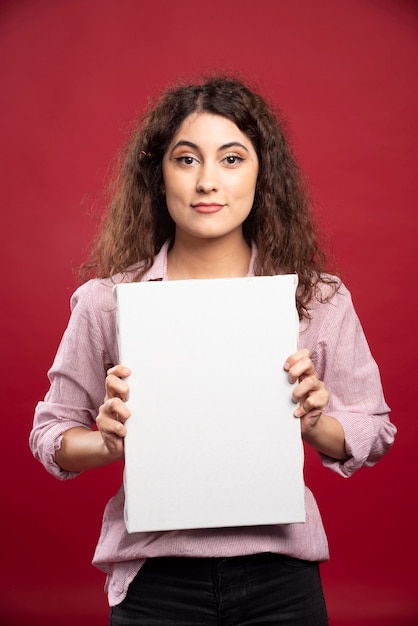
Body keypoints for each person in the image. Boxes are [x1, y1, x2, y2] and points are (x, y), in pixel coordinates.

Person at [30, 75, 396, 625]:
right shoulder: (108, 302)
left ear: (260, 174)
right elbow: (51, 433)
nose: (207, 182)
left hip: (281, 581)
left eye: (231, 158)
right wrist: (105, 442)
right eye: (186, 160)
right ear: (158, 176)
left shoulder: (316, 298)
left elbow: (374, 430)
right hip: (156, 583)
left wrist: (315, 420)